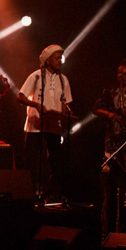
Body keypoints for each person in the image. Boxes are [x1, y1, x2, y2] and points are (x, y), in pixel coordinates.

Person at [93, 59, 126, 232]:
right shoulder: (110, 91)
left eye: (124, 73)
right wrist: (109, 115)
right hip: (113, 141)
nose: (121, 76)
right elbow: (96, 108)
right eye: (119, 73)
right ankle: (106, 223)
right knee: (109, 180)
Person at [16, 44, 73, 203]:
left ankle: (51, 193)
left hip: (53, 126)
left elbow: (64, 103)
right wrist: (36, 105)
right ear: (47, 60)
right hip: (35, 125)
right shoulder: (36, 76)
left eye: (61, 58)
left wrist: (66, 113)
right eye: (57, 58)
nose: (60, 61)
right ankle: (30, 193)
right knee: (32, 160)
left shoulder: (63, 80)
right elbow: (20, 97)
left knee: (56, 161)